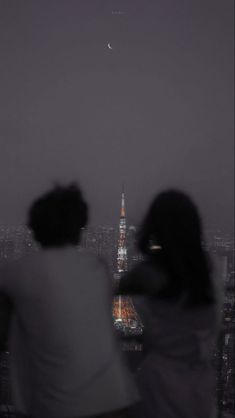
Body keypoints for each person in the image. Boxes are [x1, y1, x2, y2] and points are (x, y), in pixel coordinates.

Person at [0, 184, 138, 418]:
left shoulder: (21, 270)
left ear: (34, 228)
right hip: (117, 400)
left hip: (61, 406)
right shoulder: (98, 267)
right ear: (79, 229)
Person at [118, 190, 221, 418]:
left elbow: (118, 293)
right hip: (200, 386)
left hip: (159, 387)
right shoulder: (209, 271)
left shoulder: (148, 274)